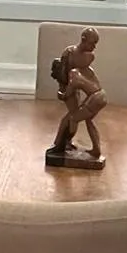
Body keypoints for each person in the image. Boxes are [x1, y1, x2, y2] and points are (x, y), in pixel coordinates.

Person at [48, 27, 107, 165]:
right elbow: (65, 76)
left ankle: (61, 144)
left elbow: (74, 84)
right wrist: (64, 90)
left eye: (95, 44)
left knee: (72, 118)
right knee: (81, 118)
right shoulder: (70, 54)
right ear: (83, 39)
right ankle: (66, 144)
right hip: (89, 93)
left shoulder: (87, 60)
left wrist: (64, 94)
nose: (94, 47)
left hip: (90, 95)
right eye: (92, 43)